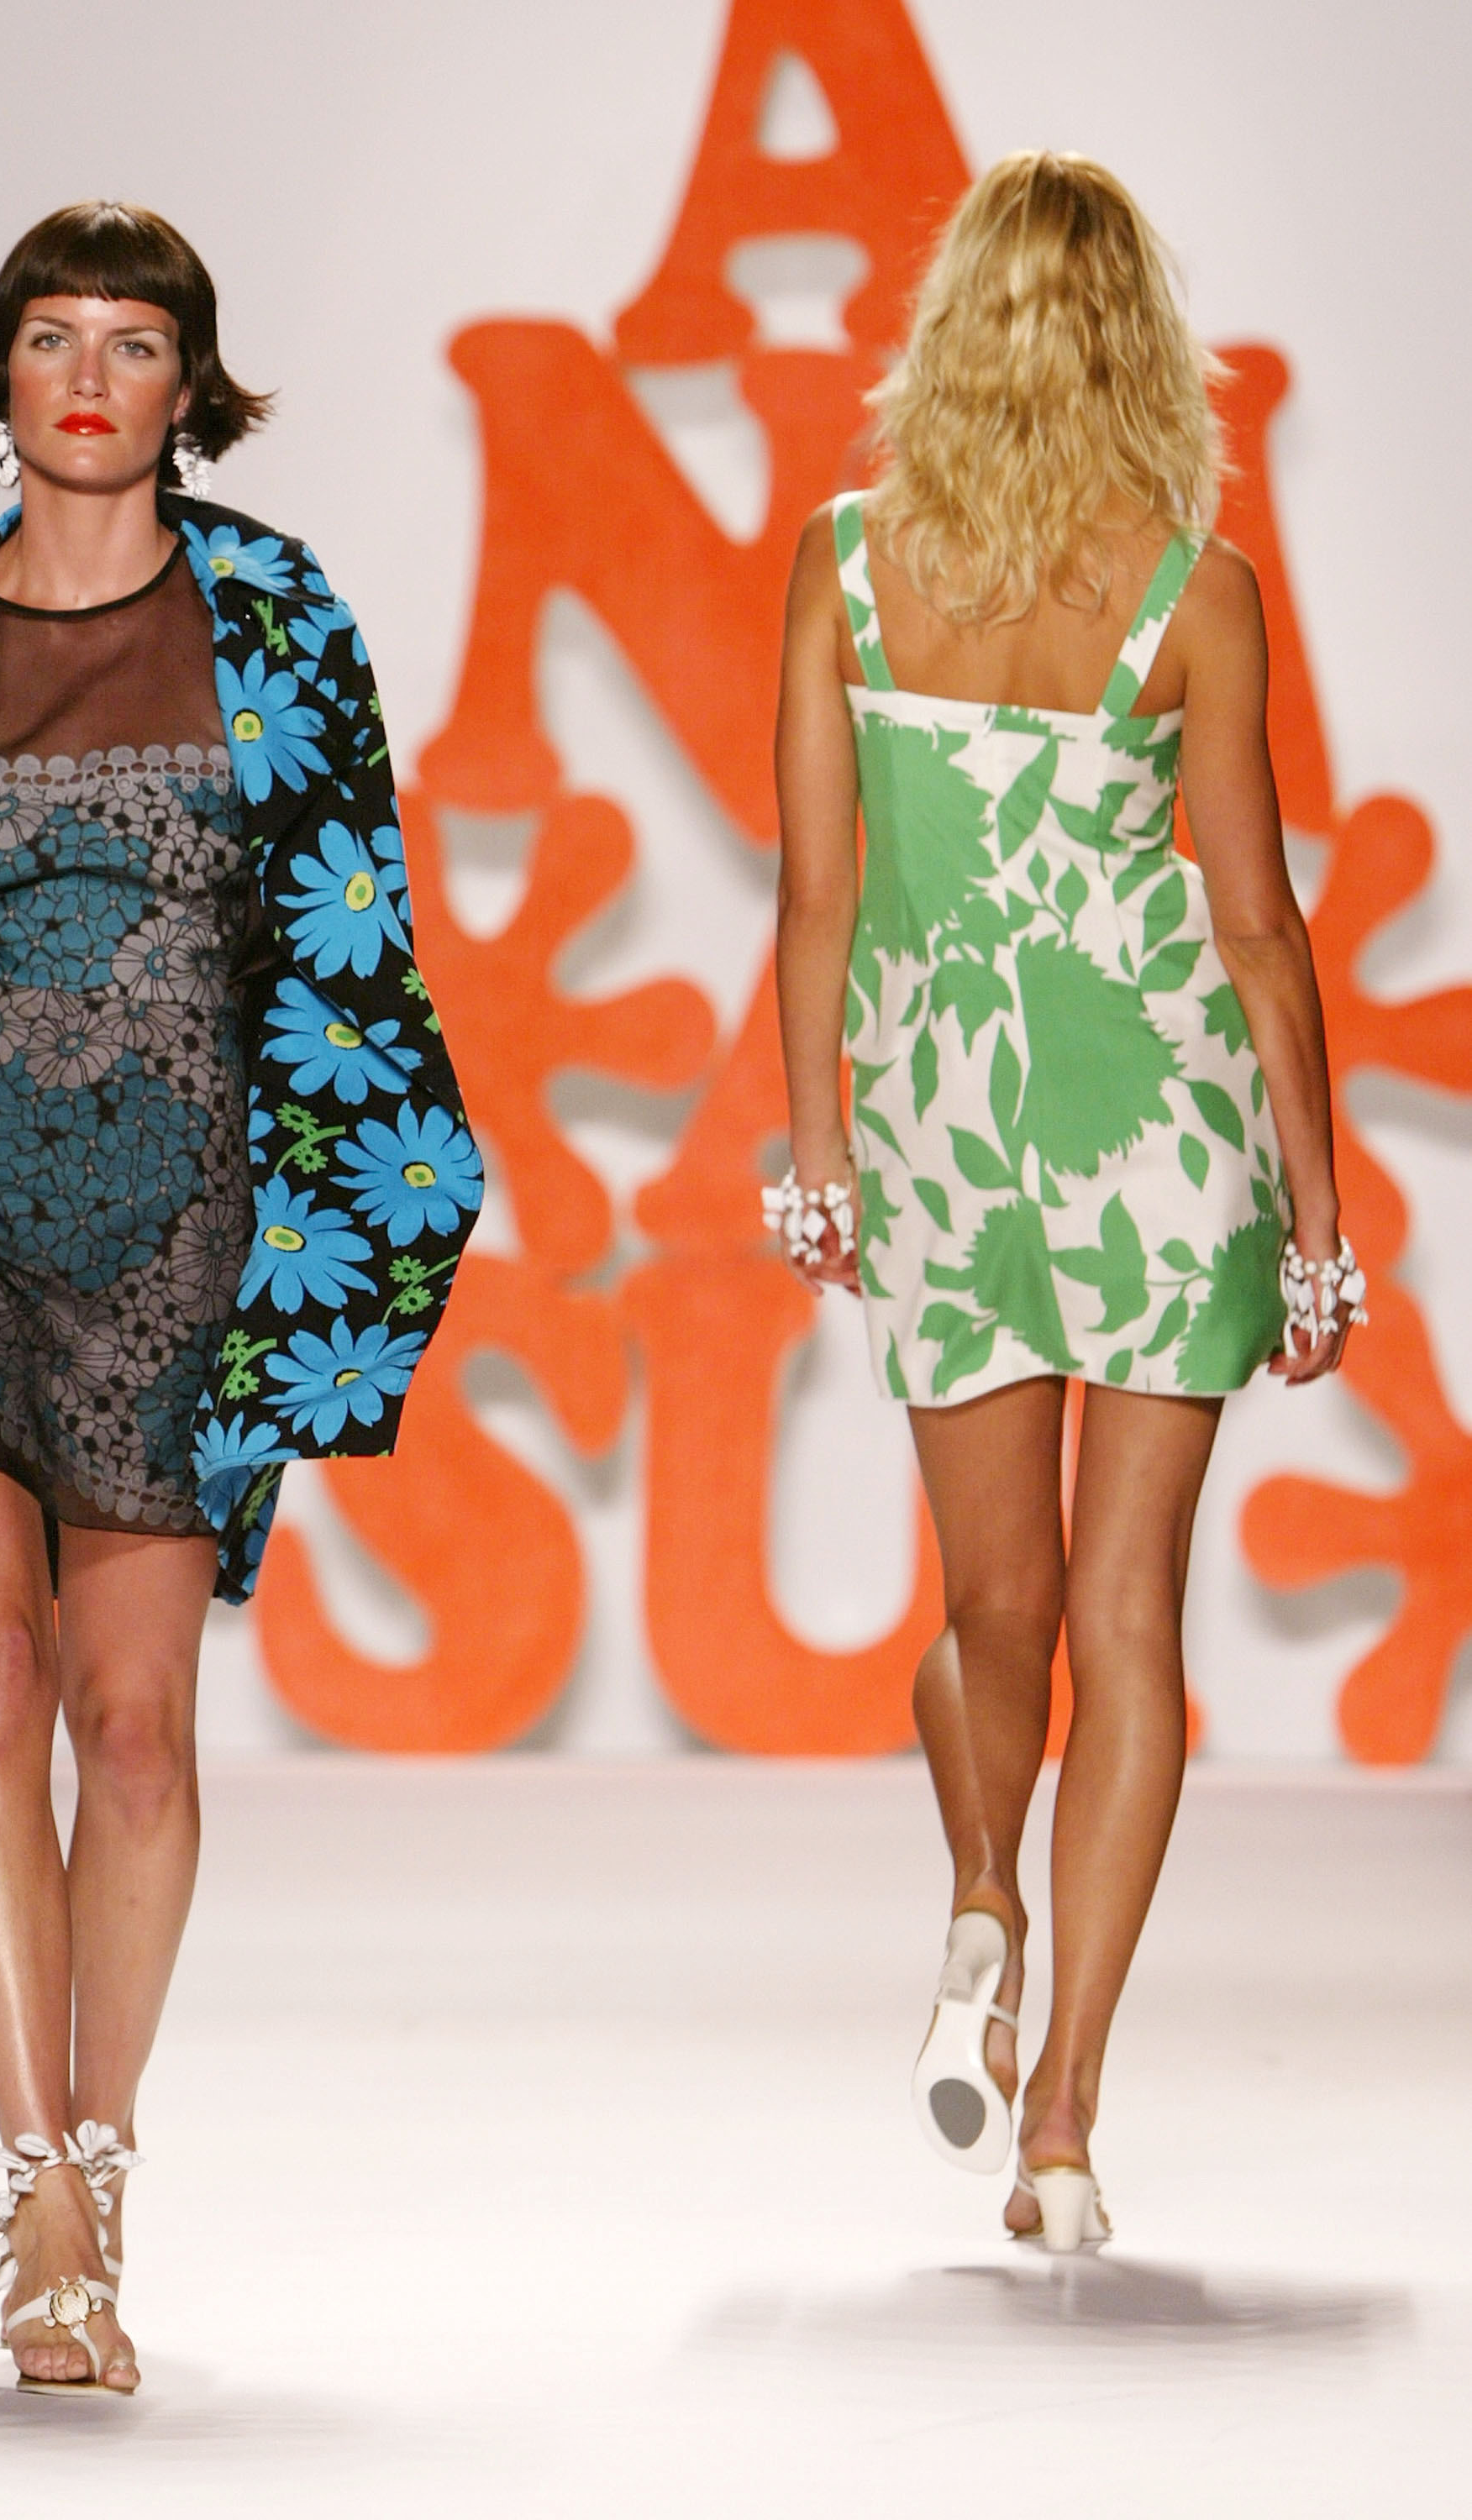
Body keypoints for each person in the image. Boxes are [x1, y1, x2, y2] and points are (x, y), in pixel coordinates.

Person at [0, 202, 481, 2386]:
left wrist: (353, 1259)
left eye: (134, 344)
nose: (88, 378)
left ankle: (106, 2149)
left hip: (180, 1247)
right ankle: (34, 2176)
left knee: (134, 1735)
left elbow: (354, 950)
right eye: (52, 337)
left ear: (188, 390)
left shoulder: (281, 625)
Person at [770, 154, 1361, 2255]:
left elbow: (819, 902)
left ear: (952, 327)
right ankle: (1066, 2124)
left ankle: (983, 1900)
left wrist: (820, 1154)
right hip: (1162, 1137)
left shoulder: (849, 569)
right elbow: (1259, 929)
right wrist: (1316, 1218)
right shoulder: (1194, 588)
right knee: (1125, 1630)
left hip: (944, 1123)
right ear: (1140, 341)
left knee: (993, 1618)